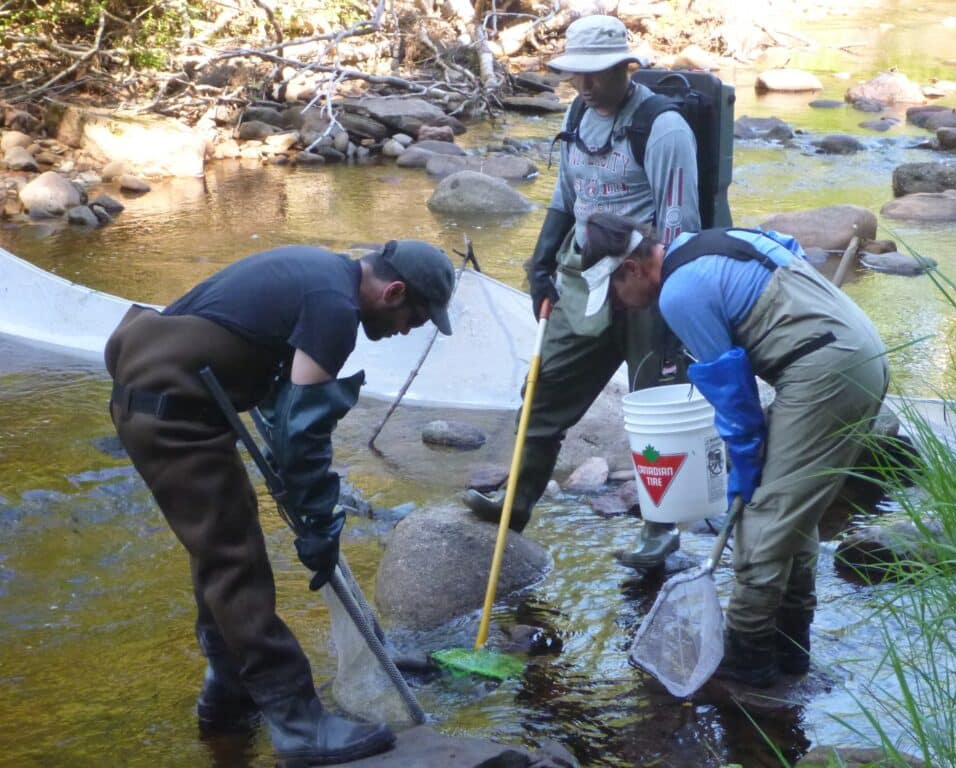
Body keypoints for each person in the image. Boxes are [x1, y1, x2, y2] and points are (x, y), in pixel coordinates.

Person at [104, 240, 455, 764]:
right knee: (235, 563)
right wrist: (317, 519)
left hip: (172, 400)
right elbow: (301, 432)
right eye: (416, 317)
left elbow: (279, 405)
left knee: (223, 545)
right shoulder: (335, 310)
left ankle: (228, 693)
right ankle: (298, 723)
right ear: (394, 291)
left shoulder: (322, 275)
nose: (410, 328)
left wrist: (311, 503)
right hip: (172, 411)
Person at [580, 212, 889, 688]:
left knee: (762, 517)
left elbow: (733, 392)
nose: (622, 307)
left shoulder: (680, 293)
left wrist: (746, 459)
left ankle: (748, 662)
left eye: (616, 295)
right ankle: (791, 651)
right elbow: (789, 247)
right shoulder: (710, 243)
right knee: (792, 512)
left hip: (825, 370)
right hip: (858, 350)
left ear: (633, 270)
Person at [464, 14, 702, 569]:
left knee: (653, 413)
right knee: (542, 393)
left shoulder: (664, 129)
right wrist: (541, 263)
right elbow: (566, 197)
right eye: (577, 74)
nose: (586, 84)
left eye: (597, 74)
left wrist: (668, 309)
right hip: (587, 283)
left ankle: (660, 532)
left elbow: (678, 225)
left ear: (628, 67)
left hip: (649, 286)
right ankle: (513, 508)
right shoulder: (577, 113)